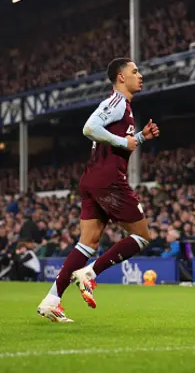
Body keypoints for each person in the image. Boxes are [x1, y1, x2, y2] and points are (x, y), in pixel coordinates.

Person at [36, 58, 160, 323]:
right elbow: (89, 128)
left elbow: (119, 143)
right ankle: (89, 274)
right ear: (120, 76)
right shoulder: (115, 103)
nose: (140, 76)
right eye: (135, 71)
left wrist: (140, 137)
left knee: (88, 243)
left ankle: (51, 300)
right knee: (142, 236)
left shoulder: (123, 108)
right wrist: (123, 140)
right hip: (109, 181)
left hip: (92, 179)